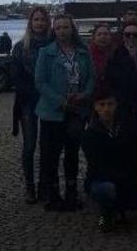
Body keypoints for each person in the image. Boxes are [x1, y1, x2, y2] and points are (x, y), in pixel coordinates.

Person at [35, 14, 95, 211]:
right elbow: (40, 82)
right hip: (53, 112)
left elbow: (91, 78)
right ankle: (53, 195)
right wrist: (59, 101)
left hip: (77, 111)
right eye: (58, 28)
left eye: (65, 27)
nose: (62, 31)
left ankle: (71, 192)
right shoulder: (46, 52)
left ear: (72, 29)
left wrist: (85, 95)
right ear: (54, 30)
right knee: (51, 155)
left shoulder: (83, 52)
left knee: (72, 154)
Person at [82, 90, 137, 233]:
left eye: (110, 104)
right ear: (95, 107)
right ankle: (106, 212)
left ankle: (121, 207)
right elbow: (100, 169)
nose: (106, 109)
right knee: (106, 190)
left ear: (116, 105)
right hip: (103, 180)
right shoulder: (90, 135)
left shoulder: (126, 127)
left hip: (127, 181)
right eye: (102, 105)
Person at [10, 7, 53, 204]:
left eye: (43, 20)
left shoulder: (54, 44)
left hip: (50, 102)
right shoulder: (20, 47)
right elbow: (15, 77)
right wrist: (35, 90)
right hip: (28, 102)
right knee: (29, 146)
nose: (40, 23)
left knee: (48, 147)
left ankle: (46, 185)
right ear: (31, 23)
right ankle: (30, 187)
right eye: (36, 20)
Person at [105, 23, 137, 125]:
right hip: (124, 108)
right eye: (127, 34)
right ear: (123, 36)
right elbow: (113, 84)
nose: (131, 37)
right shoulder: (115, 56)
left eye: (135, 35)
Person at [88, 23, 115, 88]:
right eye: (99, 34)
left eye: (106, 34)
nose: (103, 37)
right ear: (94, 38)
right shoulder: (87, 55)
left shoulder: (116, 54)